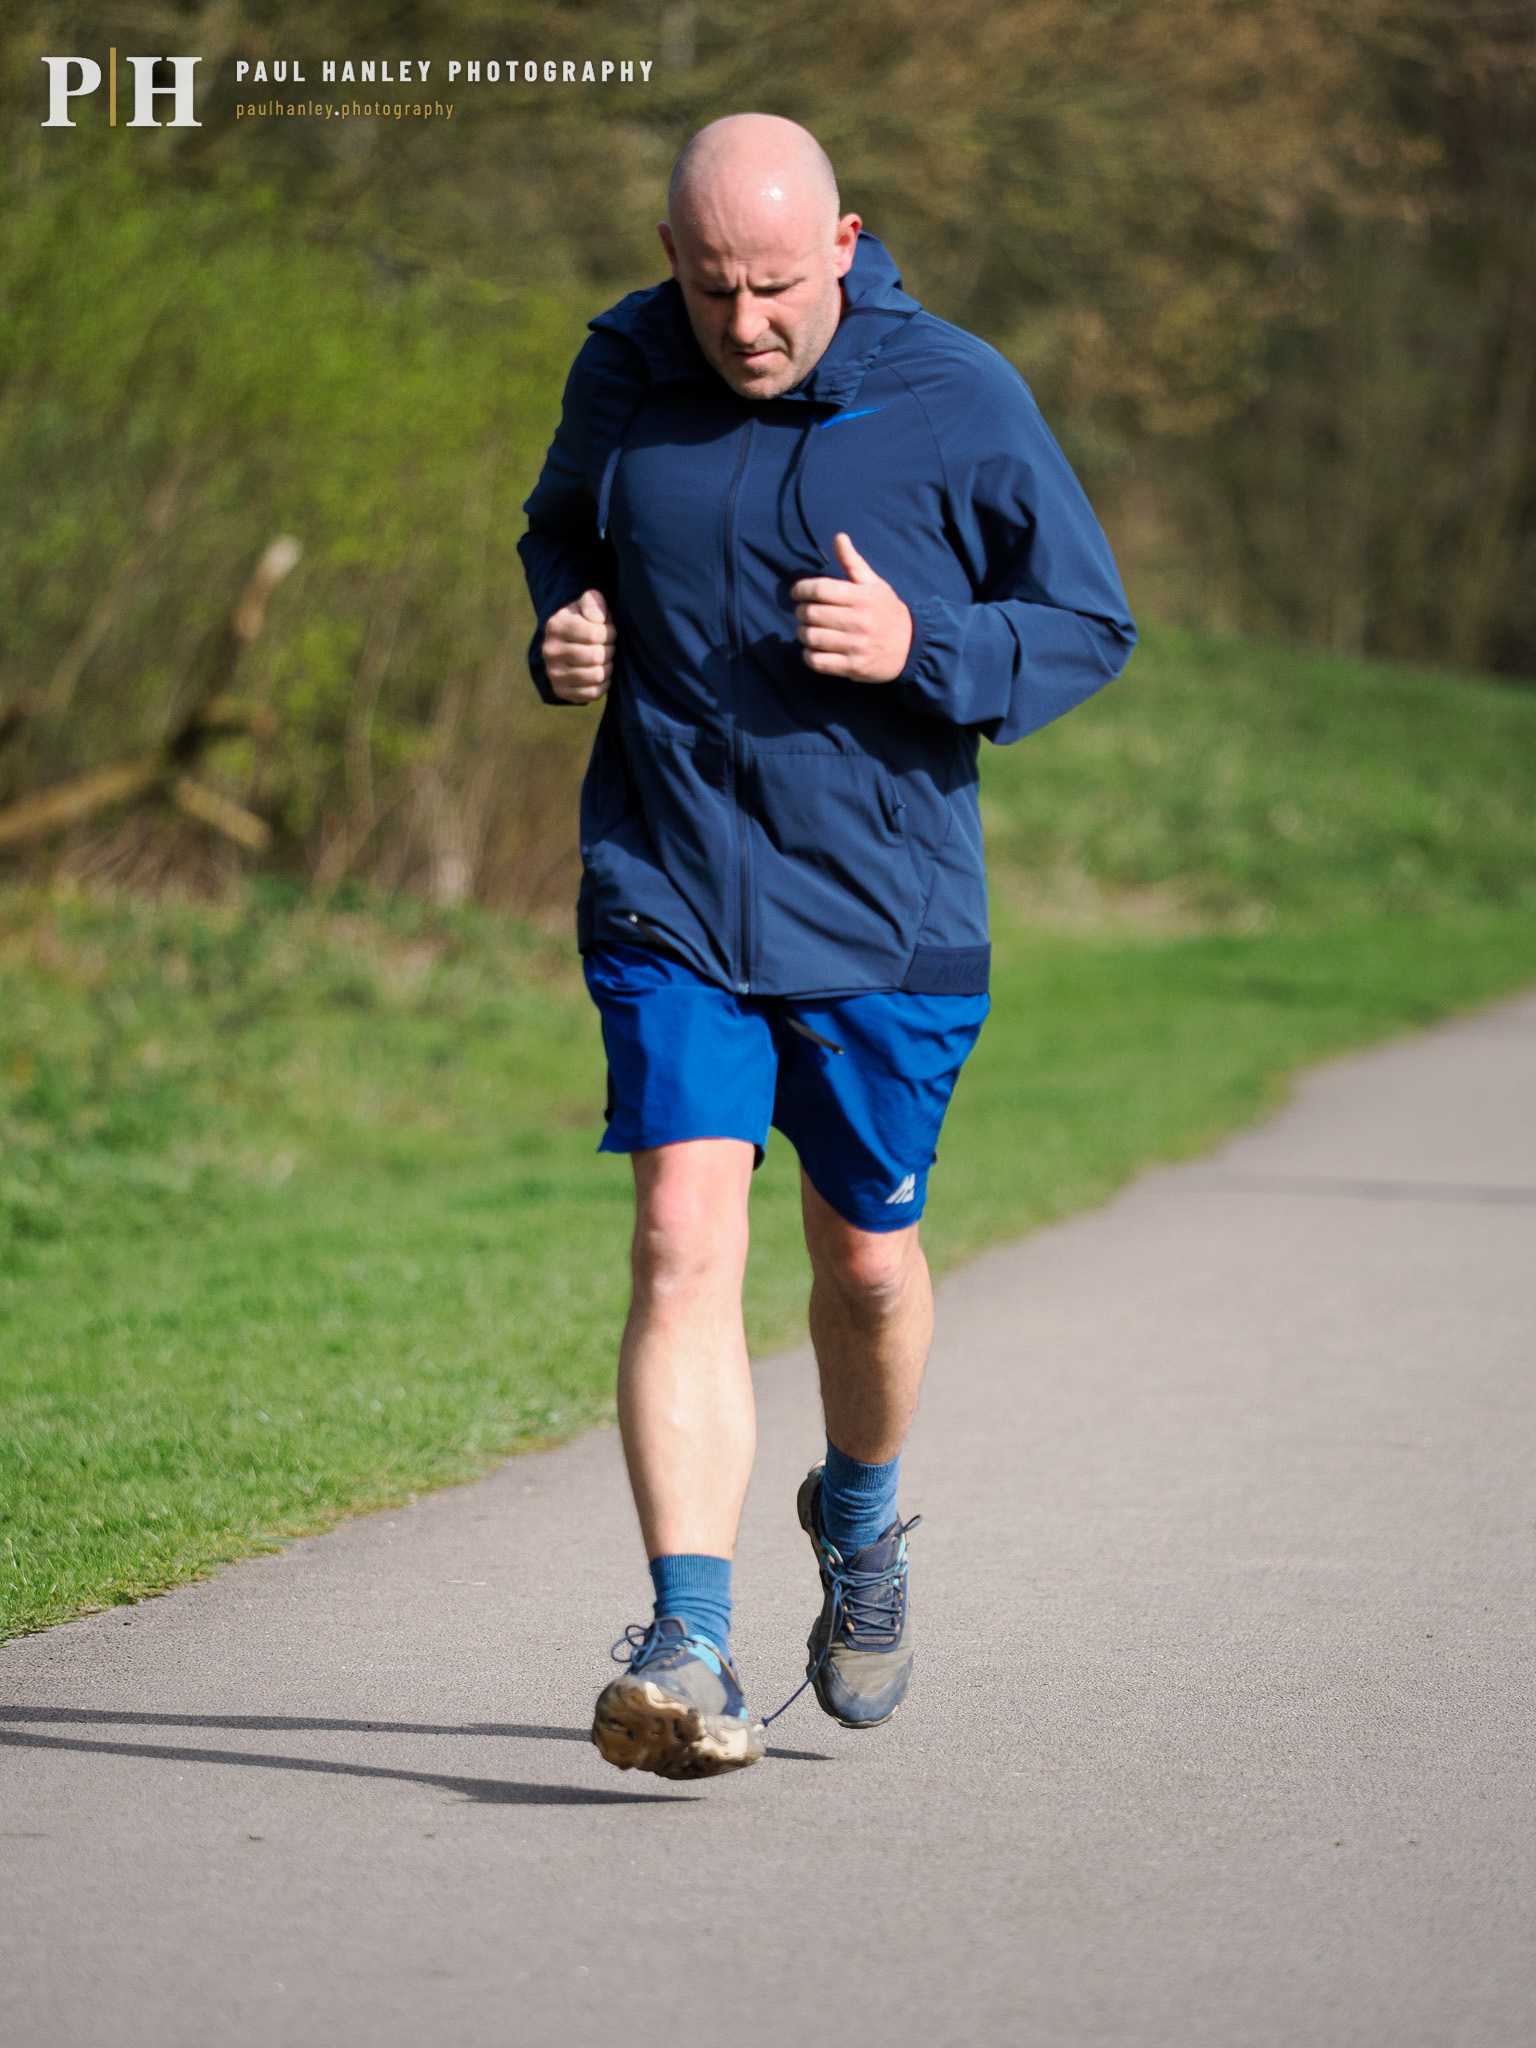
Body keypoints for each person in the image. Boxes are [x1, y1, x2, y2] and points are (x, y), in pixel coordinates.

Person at [519, 113, 1135, 1780]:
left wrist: (923, 642)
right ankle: (687, 1641)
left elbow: (1088, 622)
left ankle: (857, 1516)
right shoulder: (625, 368)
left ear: (846, 245)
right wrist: (565, 623)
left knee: (864, 1265)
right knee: (680, 1236)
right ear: (673, 260)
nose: (747, 321)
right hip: (669, 887)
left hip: (883, 908)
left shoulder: (955, 392)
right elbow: (563, 531)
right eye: (714, 286)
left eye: (779, 285)